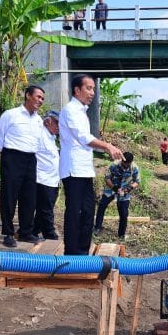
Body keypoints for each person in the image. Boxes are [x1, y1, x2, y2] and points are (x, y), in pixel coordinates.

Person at [59, 74, 124, 255]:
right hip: (73, 170)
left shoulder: (81, 111)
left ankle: (82, 251)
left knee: (88, 210)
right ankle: (72, 252)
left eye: (93, 89)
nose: (92, 92)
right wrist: (107, 146)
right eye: (88, 88)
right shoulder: (71, 110)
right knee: (75, 211)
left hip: (84, 170)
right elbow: (83, 138)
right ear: (77, 90)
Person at [0, 85, 45, 248]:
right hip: (13, 157)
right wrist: (6, 155)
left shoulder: (38, 119)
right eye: (38, 97)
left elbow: (38, 141)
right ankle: (8, 233)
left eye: (42, 98)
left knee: (29, 197)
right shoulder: (11, 114)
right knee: (9, 196)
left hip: (31, 159)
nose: (40, 101)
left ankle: (25, 231)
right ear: (28, 96)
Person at [93, 152, 141, 240]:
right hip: (111, 188)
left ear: (130, 162)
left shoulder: (134, 168)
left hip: (124, 190)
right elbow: (107, 178)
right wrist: (114, 188)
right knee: (102, 206)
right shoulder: (114, 165)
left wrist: (129, 188)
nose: (125, 166)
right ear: (121, 160)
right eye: (123, 164)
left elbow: (137, 181)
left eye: (127, 165)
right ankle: (97, 227)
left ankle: (121, 234)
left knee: (124, 213)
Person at [32, 110, 61, 241]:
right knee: (46, 209)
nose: (59, 127)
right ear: (48, 121)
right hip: (43, 179)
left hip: (52, 179)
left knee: (44, 208)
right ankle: (49, 233)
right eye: (58, 123)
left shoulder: (51, 137)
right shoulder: (40, 134)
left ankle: (33, 229)